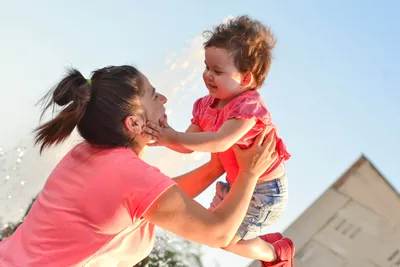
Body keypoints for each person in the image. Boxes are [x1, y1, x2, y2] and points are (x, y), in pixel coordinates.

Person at [0, 65, 290, 267]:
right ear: (135, 123)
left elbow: (154, 202)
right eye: (153, 95)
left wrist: (214, 169)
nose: (163, 99)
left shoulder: (84, 154)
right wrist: (249, 174)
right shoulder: (129, 175)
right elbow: (216, 233)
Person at [142, 15, 294, 267]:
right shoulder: (205, 106)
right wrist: (163, 136)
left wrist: (174, 136)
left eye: (218, 71)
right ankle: (264, 242)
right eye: (207, 67)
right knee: (207, 229)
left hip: (266, 190)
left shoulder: (249, 106)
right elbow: (186, 144)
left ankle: (276, 253)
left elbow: (220, 142)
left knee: (224, 240)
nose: (208, 76)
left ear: (246, 79)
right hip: (237, 181)